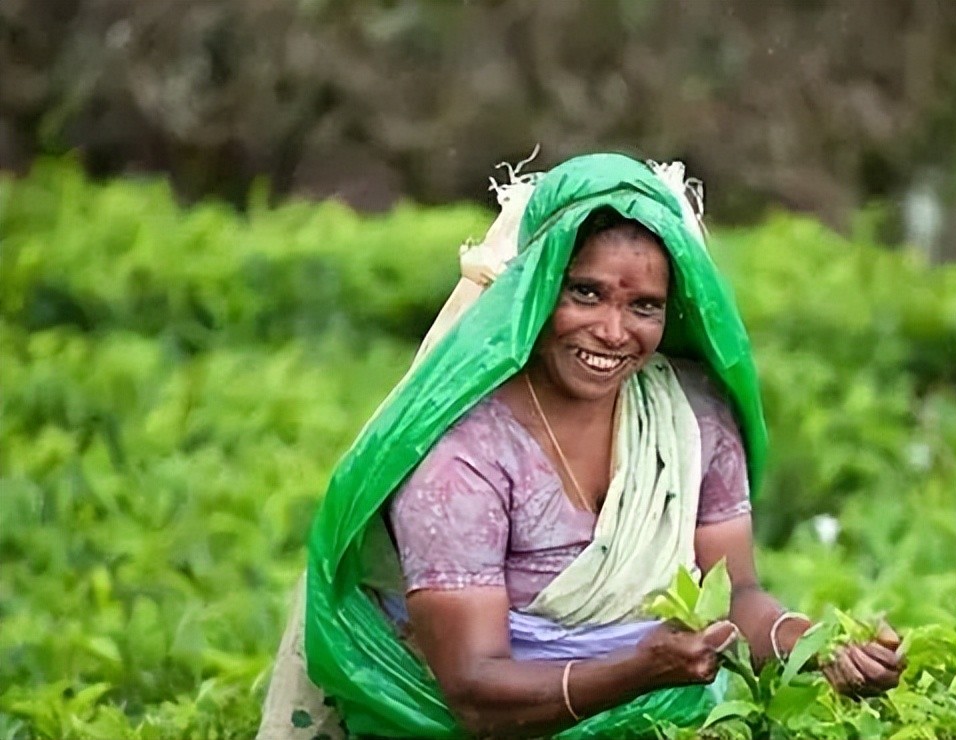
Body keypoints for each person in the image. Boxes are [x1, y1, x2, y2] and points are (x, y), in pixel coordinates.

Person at [258, 153, 905, 740]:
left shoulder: (692, 418)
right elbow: (475, 693)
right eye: (585, 293)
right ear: (536, 291)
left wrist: (816, 649)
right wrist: (636, 672)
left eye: (645, 306)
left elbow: (735, 597)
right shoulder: (464, 457)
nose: (613, 331)